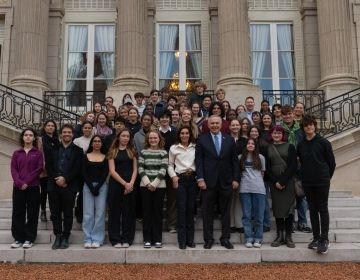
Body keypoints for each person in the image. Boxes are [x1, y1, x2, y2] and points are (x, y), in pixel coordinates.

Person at [195, 115, 240, 250]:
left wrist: (236, 178)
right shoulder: (202, 140)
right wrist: (200, 178)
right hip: (208, 182)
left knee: (225, 211)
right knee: (207, 212)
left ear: (221, 125)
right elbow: (199, 161)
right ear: (208, 125)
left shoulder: (230, 139)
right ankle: (208, 239)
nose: (214, 125)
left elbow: (234, 161)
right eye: (212, 123)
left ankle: (225, 238)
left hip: (226, 181)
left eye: (217, 123)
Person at [297, 115, 336, 254]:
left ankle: (324, 239)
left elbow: (332, 163)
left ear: (314, 126)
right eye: (306, 125)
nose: (309, 127)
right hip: (308, 182)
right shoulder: (300, 145)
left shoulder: (324, 142)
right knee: (312, 210)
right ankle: (316, 238)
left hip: (322, 181)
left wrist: (326, 177)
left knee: (322, 209)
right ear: (303, 128)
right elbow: (301, 162)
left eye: (311, 124)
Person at [45, 124, 83, 250]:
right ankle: (58, 236)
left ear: (72, 134)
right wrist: (58, 179)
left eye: (69, 132)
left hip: (69, 186)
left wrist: (65, 179)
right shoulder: (53, 148)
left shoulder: (78, 150)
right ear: (61, 134)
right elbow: (49, 167)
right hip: (53, 185)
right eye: (64, 132)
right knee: (55, 213)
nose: (67, 134)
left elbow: (77, 169)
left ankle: (66, 236)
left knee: (67, 213)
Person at [10, 128, 44, 249]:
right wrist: (19, 183)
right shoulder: (16, 153)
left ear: (34, 138)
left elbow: (39, 169)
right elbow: (13, 170)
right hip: (18, 187)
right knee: (18, 212)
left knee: (32, 213)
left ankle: (29, 238)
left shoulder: (38, 153)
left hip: (33, 187)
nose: (28, 137)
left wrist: (27, 182)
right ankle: (18, 238)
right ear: (23, 137)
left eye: (30, 135)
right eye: (26, 135)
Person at [265, 125, 297, 248]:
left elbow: (292, 166)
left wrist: (282, 181)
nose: (276, 135)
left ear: (283, 134)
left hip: (288, 182)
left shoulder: (290, 147)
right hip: (274, 183)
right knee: (278, 209)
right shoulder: (267, 148)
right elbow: (267, 168)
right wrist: (275, 182)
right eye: (274, 133)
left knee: (289, 210)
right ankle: (279, 236)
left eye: (279, 133)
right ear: (271, 134)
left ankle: (288, 237)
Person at [107, 128, 138, 248]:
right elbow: (112, 171)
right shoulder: (112, 151)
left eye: (127, 136)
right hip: (116, 184)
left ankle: (127, 239)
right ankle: (115, 239)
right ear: (118, 137)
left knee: (128, 213)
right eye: (123, 136)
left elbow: (135, 169)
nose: (125, 138)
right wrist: (124, 183)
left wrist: (130, 184)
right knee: (114, 212)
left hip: (130, 184)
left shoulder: (132, 151)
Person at [168, 126, 197, 249]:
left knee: (190, 209)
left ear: (190, 134)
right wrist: (174, 177)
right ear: (179, 135)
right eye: (182, 133)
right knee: (181, 209)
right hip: (180, 179)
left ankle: (190, 240)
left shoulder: (195, 147)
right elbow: (170, 165)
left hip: (192, 179)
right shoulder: (174, 148)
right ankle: (182, 241)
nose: (184, 135)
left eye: (187, 133)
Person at [138, 130, 168, 248]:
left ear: (159, 139)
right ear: (147, 140)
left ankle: (157, 239)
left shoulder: (164, 152)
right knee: (147, 212)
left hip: (159, 186)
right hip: (144, 186)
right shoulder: (143, 152)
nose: (153, 140)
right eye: (150, 138)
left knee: (157, 212)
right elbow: (140, 168)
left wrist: (154, 184)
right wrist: (147, 183)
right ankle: (147, 239)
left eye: (155, 138)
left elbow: (163, 169)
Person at [82, 135, 109, 248]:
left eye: (99, 141)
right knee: (88, 214)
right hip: (88, 187)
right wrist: (91, 186)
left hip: (101, 187)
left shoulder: (105, 157)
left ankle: (97, 238)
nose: (97, 143)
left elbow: (105, 173)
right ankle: (88, 238)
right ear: (91, 143)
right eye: (95, 141)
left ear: (102, 144)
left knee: (100, 213)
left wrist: (97, 187)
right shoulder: (85, 156)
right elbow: (83, 172)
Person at [239, 138, 266, 248]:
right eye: (248, 143)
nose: (250, 145)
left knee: (259, 216)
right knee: (246, 216)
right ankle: (249, 238)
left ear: (255, 146)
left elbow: (262, 173)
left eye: (252, 143)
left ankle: (258, 238)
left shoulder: (261, 158)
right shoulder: (240, 158)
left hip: (259, 189)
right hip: (245, 189)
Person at [158, 110, 177, 233]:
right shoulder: (155, 133)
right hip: (157, 169)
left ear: (170, 119)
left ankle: (171, 225)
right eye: (162, 118)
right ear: (159, 119)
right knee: (158, 199)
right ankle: (158, 224)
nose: (164, 119)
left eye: (166, 117)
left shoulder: (175, 132)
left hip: (172, 169)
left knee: (172, 199)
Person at [39, 120, 59, 222]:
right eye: (48, 125)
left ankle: (53, 212)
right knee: (44, 192)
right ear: (45, 127)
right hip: (44, 170)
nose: (50, 127)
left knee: (54, 192)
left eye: (52, 126)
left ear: (55, 128)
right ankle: (43, 211)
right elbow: (39, 154)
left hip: (55, 170)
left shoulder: (57, 140)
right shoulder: (40, 139)